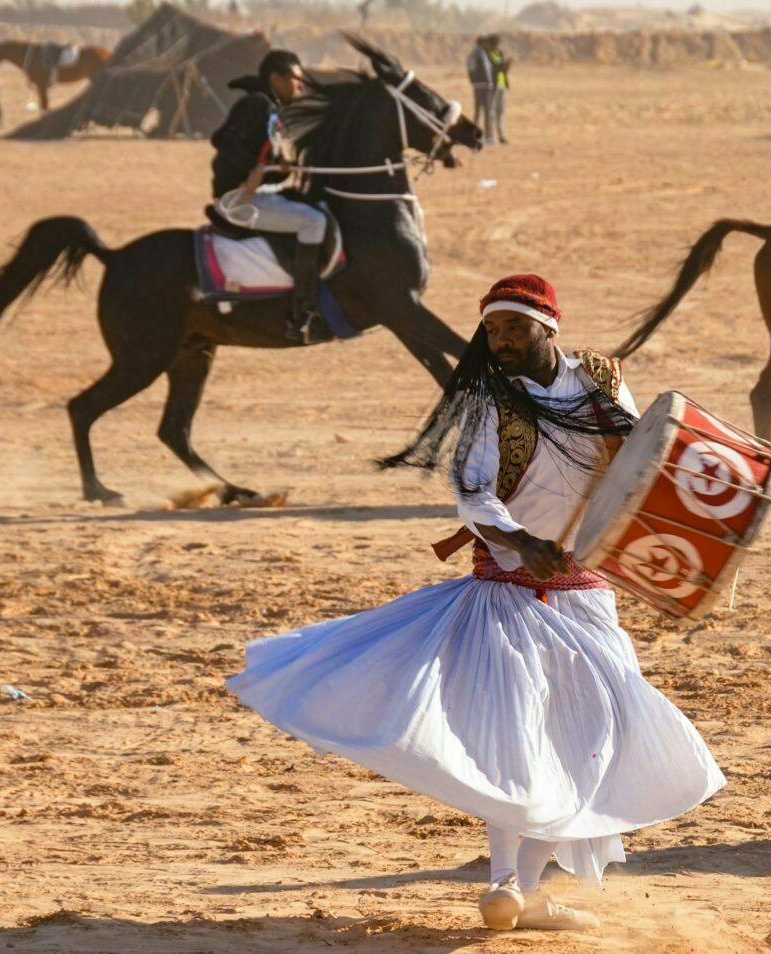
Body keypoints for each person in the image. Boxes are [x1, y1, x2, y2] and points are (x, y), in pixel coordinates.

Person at [228, 273, 726, 933]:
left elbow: (642, 461)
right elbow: (472, 495)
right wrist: (522, 538)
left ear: (549, 326)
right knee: (515, 739)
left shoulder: (602, 383)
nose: (500, 340)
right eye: (492, 329)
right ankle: (505, 883)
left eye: (513, 327)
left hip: (586, 587)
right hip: (506, 589)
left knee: (593, 736)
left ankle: (523, 891)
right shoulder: (489, 403)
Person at [210, 49, 328, 342]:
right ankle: (302, 314)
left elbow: (262, 159)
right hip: (238, 201)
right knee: (313, 222)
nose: (300, 87)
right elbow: (223, 141)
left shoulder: (268, 107)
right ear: (276, 78)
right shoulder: (256, 104)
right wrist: (253, 171)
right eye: (296, 80)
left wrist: (280, 170)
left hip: (252, 193)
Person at [467, 36, 497, 145]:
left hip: (478, 86)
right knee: (487, 111)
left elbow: (470, 69)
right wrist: (489, 83)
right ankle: (489, 137)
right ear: (482, 43)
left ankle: (475, 135)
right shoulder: (481, 54)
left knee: (478, 111)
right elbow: (485, 70)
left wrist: (474, 82)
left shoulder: (472, 54)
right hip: (484, 86)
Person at [488, 34, 511, 146]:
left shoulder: (500, 53)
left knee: (500, 111)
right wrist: (504, 65)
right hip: (493, 85)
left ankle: (501, 135)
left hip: (501, 84)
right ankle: (491, 135)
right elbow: (496, 67)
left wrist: (507, 81)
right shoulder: (488, 54)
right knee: (491, 111)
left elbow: (503, 70)